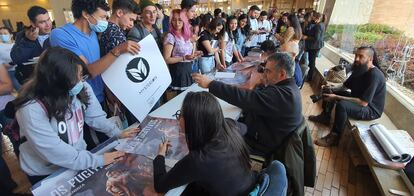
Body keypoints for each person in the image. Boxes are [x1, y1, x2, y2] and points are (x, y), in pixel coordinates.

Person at [13, 47, 139, 185]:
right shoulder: (31, 109)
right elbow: (55, 151)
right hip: (46, 171)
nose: (81, 81)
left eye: (81, 75)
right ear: (57, 82)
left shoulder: (81, 87)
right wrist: (98, 160)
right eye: (75, 78)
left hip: (77, 159)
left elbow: (96, 118)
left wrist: (118, 133)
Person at [50, 0, 140, 147]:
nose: (106, 21)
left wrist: (108, 92)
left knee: (109, 140)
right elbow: (88, 71)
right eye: (103, 17)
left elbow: (100, 66)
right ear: (86, 14)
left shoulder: (94, 34)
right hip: (79, 101)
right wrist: (117, 50)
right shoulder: (61, 35)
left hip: (99, 97)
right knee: (94, 145)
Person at [192, 52, 302, 155]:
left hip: (261, 144)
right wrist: (261, 84)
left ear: (282, 74)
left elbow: (245, 98)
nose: (265, 74)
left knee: (213, 130)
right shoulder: (289, 89)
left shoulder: (282, 95)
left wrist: (210, 84)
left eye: (268, 71)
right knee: (224, 122)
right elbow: (257, 98)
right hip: (266, 132)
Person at [153, 91, 256, 195]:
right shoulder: (229, 125)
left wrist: (160, 155)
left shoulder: (197, 160)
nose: (179, 119)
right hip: (249, 185)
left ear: (193, 122)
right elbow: (244, 128)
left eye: (181, 115)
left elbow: (160, 185)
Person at [311, 46, 386, 147]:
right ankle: (325, 116)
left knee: (342, 105)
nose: (357, 59)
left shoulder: (375, 75)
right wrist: (331, 89)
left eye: (361, 56)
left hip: (370, 109)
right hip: (359, 99)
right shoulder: (359, 69)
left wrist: (336, 97)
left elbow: (363, 103)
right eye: (356, 55)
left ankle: (334, 137)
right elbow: (344, 87)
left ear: (370, 59)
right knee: (328, 90)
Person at [10, 6, 52, 85]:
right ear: (32, 23)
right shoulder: (23, 35)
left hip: (56, 78)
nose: (48, 25)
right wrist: (29, 41)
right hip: (34, 81)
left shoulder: (57, 34)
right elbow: (17, 59)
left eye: (48, 19)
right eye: (42, 22)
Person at [163, 9, 201, 93]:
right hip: (178, 71)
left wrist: (194, 54)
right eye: (174, 20)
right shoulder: (170, 36)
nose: (177, 23)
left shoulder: (186, 34)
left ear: (184, 20)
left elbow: (189, 54)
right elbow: (166, 59)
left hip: (188, 69)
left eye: (180, 20)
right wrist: (184, 58)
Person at [278, 14, 303, 87]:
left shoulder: (291, 28)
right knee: (292, 65)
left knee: (287, 67)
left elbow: (284, 41)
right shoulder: (298, 29)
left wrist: (277, 36)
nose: (286, 21)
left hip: (288, 50)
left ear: (290, 20)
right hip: (294, 49)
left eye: (287, 20)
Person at [303, 12, 325, 81]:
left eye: (313, 17)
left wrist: (307, 37)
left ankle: (310, 77)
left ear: (316, 18)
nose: (312, 18)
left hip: (314, 46)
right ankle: (310, 75)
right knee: (312, 61)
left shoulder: (318, 26)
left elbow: (316, 38)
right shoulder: (321, 24)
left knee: (311, 62)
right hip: (316, 46)